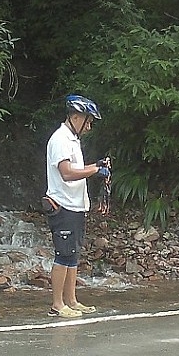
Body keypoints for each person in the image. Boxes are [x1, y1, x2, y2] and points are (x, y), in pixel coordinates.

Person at [44, 94, 110, 318]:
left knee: (73, 255)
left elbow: (76, 171)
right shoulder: (60, 139)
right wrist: (95, 169)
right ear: (75, 117)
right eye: (88, 121)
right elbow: (67, 173)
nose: (89, 126)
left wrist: (95, 167)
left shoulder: (72, 139)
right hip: (63, 205)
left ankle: (71, 300)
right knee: (63, 255)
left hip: (75, 205)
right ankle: (57, 304)